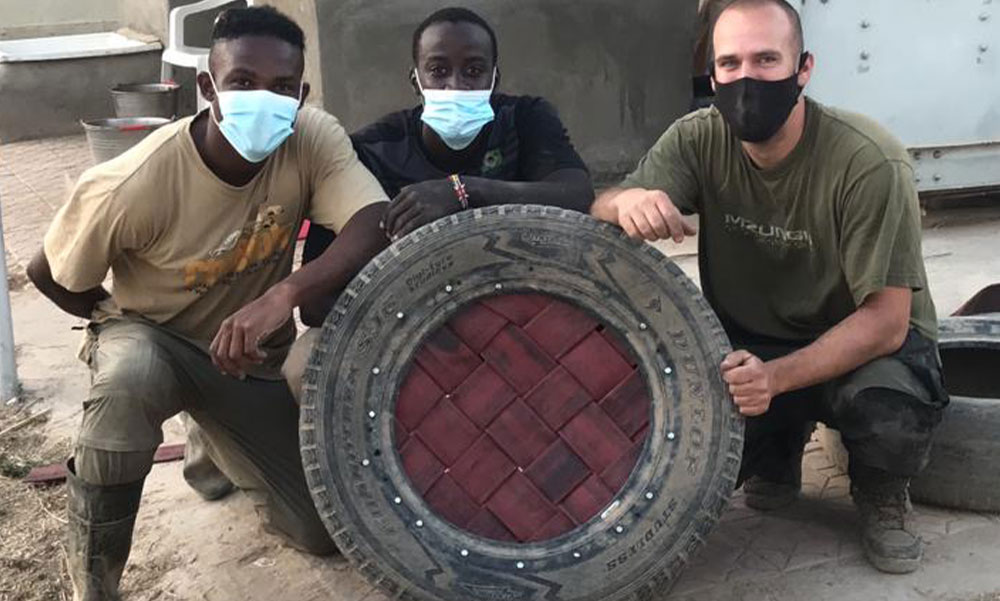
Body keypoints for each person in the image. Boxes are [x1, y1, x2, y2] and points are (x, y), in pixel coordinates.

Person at [26, 7, 389, 598]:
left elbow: (371, 219)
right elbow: (48, 272)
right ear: (208, 86)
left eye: (282, 86)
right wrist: (116, 323)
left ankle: (209, 429)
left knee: (320, 529)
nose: (263, 99)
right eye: (243, 81)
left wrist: (286, 292)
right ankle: (94, 582)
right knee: (131, 380)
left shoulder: (311, 137)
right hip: (156, 337)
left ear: (302, 94)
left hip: (246, 357)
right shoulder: (137, 180)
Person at [591, 0, 947, 575]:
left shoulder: (868, 161)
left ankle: (882, 492)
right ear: (712, 77)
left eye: (766, 59)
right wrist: (626, 201)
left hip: (862, 346)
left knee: (891, 415)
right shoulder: (698, 139)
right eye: (729, 64)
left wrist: (775, 380)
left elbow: (886, 322)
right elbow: (602, 207)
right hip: (752, 342)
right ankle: (778, 450)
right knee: (678, 442)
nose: (746, 79)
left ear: (804, 69)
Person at [293, 6, 594, 331]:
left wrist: (462, 190)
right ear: (416, 81)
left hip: (517, 317)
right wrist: (431, 316)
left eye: (474, 70)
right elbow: (315, 305)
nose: (456, 85)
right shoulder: (374, 150)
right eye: (438, 71)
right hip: (411, 330)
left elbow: (576, 196)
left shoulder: (524, 120)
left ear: (494, 79)